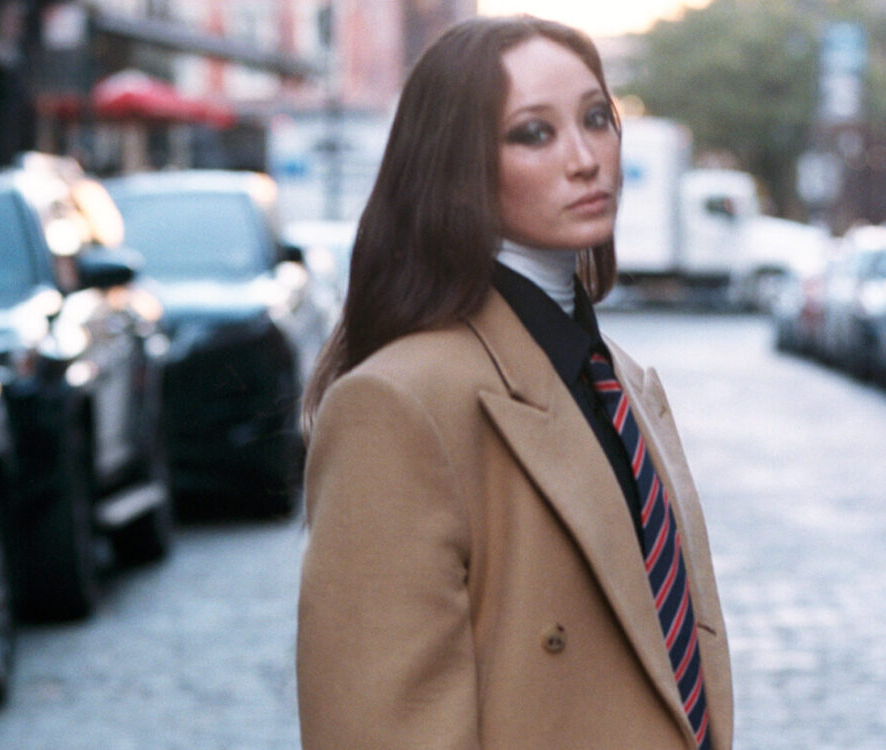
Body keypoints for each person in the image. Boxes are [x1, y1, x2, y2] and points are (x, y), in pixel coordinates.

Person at [296, 15, 733, 749]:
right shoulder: (398, 403)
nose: (585, 159)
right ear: (455, 164)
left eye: (597, 119)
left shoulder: (620, 378)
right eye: (534, 133)